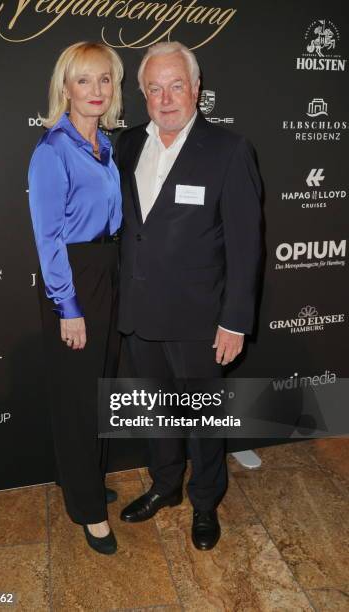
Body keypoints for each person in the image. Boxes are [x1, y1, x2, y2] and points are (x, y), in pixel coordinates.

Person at [116, 42, 262, 551]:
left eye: (176, 84)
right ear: (142, 94)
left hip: (201, 320)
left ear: (196, 89)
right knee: (158, 412)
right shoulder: (126, 145)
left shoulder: (228, 149)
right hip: (138, 313)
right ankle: (165, 486)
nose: (166, 97)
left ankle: (205, 502)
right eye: (154, 87)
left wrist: (235, 320)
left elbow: (246, 245)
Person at [28, 42, 123, 555]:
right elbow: (49, 238)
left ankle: (83, 479)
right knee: (78, 400)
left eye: (104, 80)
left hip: (108, 272)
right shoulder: (52, 150)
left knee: (101, 391)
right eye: (84, 80)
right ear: (65, 87)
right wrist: (68, 305)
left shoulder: (103, 146)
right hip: (74, 281)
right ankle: (88, 510)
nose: (95, 90)